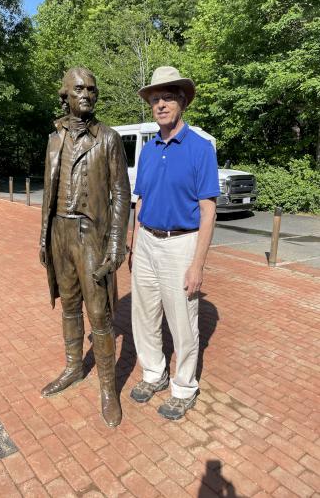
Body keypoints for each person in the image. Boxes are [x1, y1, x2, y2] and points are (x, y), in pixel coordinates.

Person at [39, 67, 130, 427]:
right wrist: (43, 237)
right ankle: (74, 367)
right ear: (65, 94)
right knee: (69, 306)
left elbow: (121, 194)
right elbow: (49, 190)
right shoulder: (53, 138)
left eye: (92, 89)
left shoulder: (108, 138)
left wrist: (116, 244)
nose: (87, 95)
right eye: (79, 89)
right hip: (59, 233)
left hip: (91, 236)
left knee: (100, 314)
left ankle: (108, 389)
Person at [130, 66, 220, 420]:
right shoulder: (148, 150)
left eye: (168, 97)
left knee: (183, 321)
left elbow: (208, 211)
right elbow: (140, 202)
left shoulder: (200, 149)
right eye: (155, 99)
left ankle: (184, 387)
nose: (161, 104)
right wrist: (135, 246)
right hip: (148, 242)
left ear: (182, 101)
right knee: (144, 315)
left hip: (182, 244)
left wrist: (197, 264)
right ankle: (153, 373)